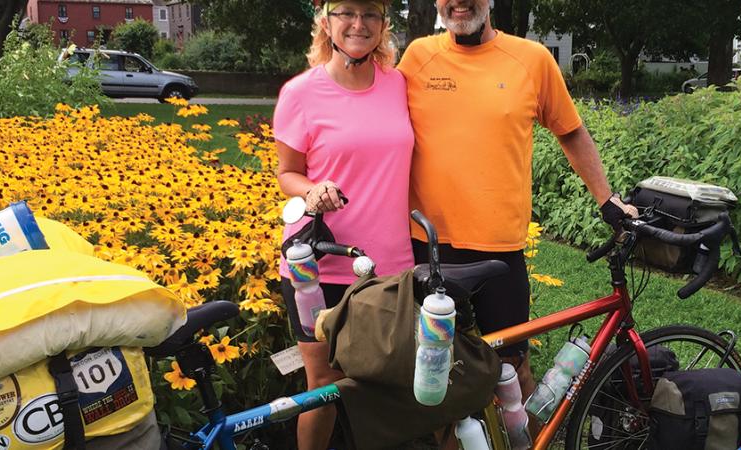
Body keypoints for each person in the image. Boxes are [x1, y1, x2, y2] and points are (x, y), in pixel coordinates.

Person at [397, 0, 637, 436]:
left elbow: (571, 130)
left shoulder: (531, 60)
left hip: (501, 249)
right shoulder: (417, 57)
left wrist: (607, 200)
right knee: (436, 373)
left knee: (513, 366)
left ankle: (525, 441)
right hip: (430, 248)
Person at [272, 1, 414, 448]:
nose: (358, 24)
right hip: (318, 266)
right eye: (347, 12)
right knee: (323, 388)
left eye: (370, 13)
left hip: (389, 266)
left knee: (388, 384)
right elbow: (286, 173)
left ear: (383, 24)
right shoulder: (300, 92)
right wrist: (311, 190)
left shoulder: (398, 85)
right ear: (327, 22)